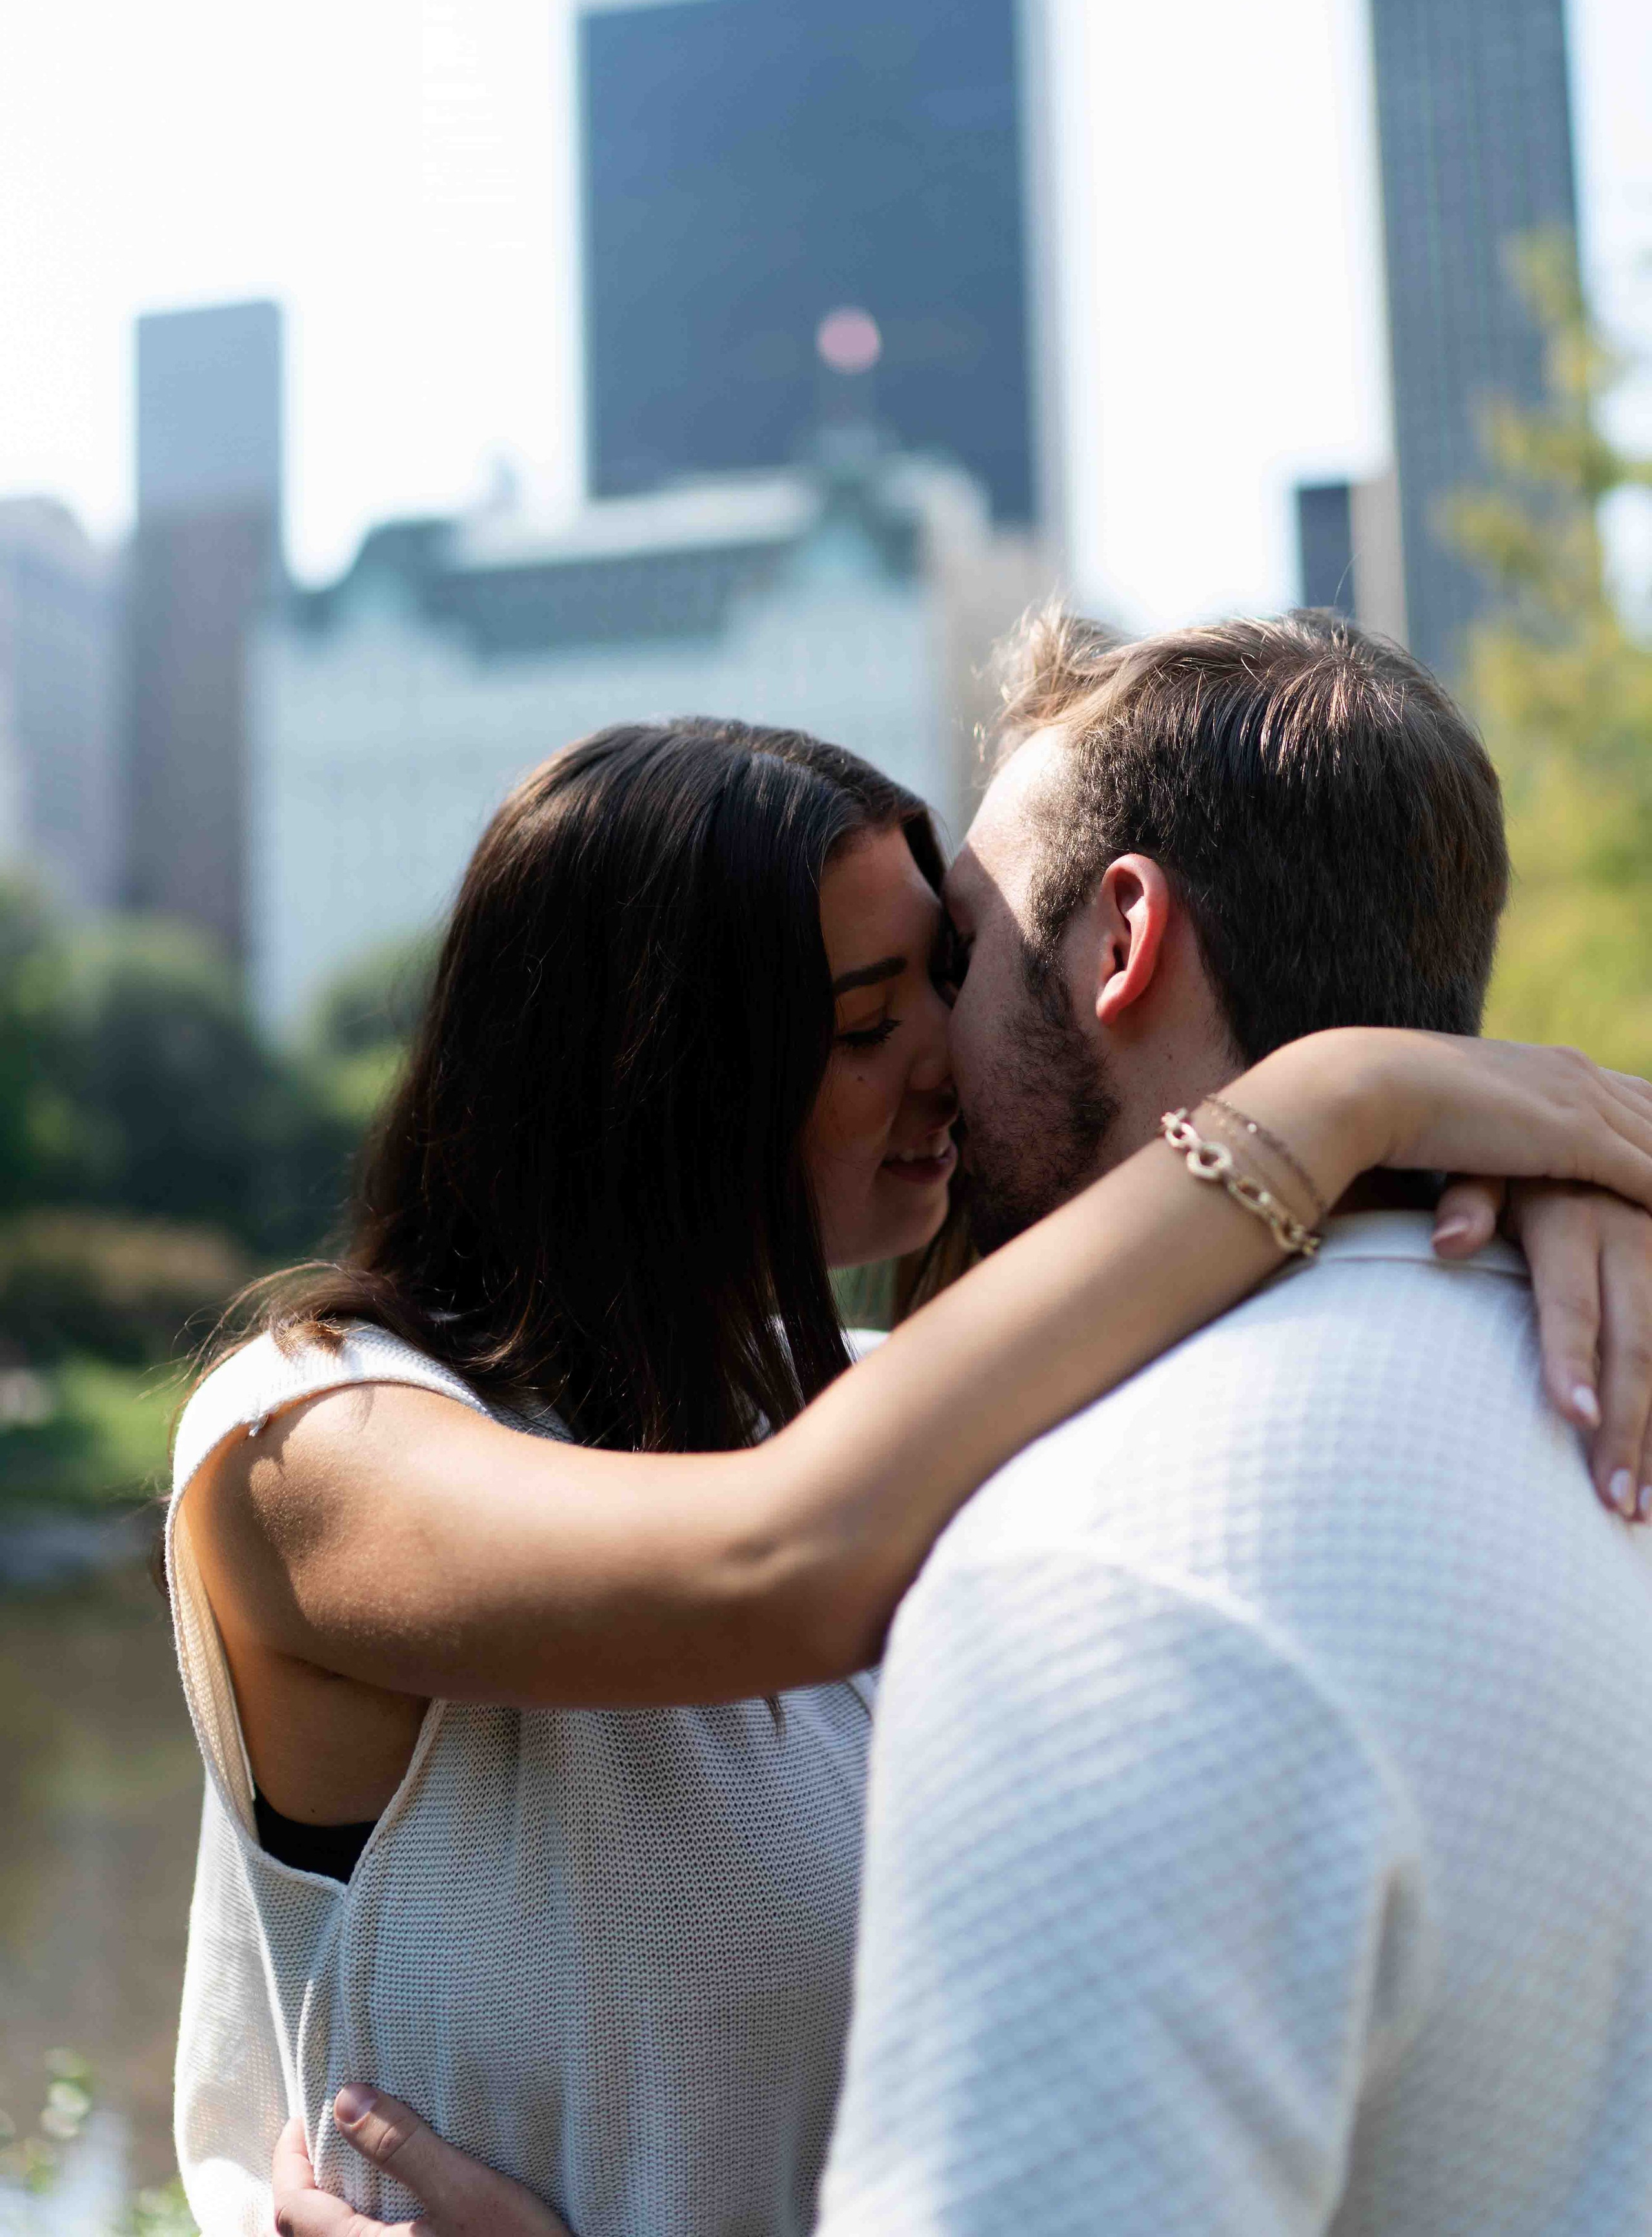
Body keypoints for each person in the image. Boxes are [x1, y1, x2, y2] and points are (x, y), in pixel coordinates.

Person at [179, 690, 1651, 2237]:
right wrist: (1341, 1096)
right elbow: (777, 1561)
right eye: (869, 1023)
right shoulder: (308, 1443)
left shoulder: (900, 1417)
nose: (946, 1063)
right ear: (649, 1065)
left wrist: (1550, 1194)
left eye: (944, 989)